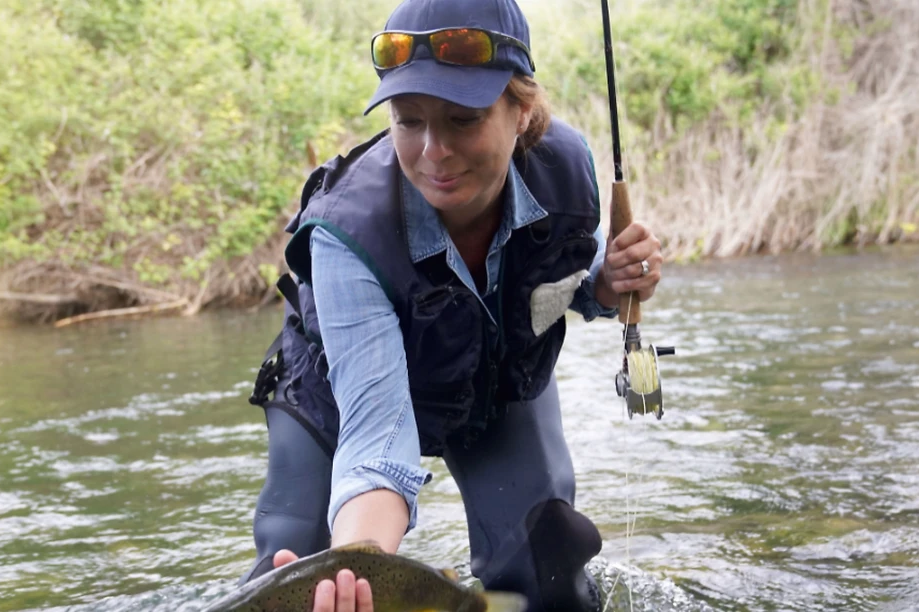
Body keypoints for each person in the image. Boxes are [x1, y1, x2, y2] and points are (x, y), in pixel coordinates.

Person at [243, 0, 663, 609]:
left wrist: (608, 282)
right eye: (408, 120)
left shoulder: (566, 170)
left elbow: (570, 273)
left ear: (522, 111)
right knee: (294, 592)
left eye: (463, 119)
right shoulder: (344, 231)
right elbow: (376, 439)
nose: (433, 151)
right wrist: (359, 570)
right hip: (338, 398)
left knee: (548, 580)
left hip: (493, 380)